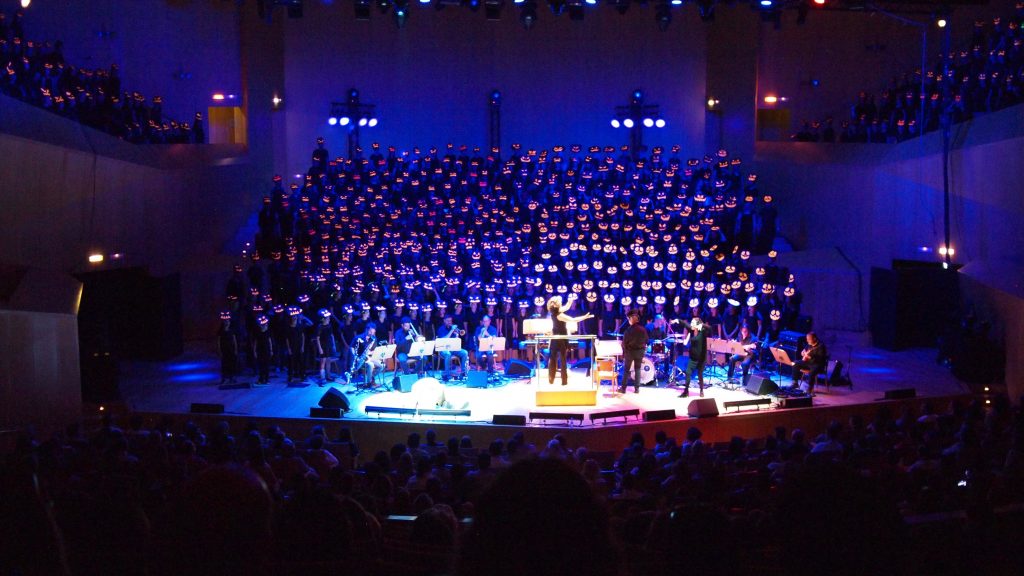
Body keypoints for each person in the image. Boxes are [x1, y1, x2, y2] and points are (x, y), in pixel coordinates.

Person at [546, 295, 593, 386]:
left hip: (554, 338)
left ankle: (551, 380)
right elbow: (573, 320)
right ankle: (564, 381)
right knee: (563, 361)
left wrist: (570, 301)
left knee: (552, 360)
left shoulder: (553, 312)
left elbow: (566, 307)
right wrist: (585, 317)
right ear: (558, 304)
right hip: (561, 340)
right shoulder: (560, 315)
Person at [679, 316, 711, 397]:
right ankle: (686, 392)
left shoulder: (702, 332)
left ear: (697, 325)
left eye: (693, 323)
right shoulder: (691, 330)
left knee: (700, 374)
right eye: (691, 322)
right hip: (692, 358)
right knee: (688, 372)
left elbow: (710, 328)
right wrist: (677, 320)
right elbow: (685, 324)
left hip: (701, 359)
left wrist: (702, 324)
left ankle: (701, 390)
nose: (691, 324)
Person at [620, 309, 649, 394]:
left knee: (626, 370)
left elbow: (624, 344)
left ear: (632, 319)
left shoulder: (628, 330)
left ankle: (623, 389)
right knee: (637, 369)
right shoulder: (643, 329)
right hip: (640, 352)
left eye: (629, 319)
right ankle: (637, 389)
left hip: (630, 352)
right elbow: (647, 340)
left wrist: (624, 353)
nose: (628, 320)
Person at [438, 314, 469, 381]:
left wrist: (457, 335)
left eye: (450, 321)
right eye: (448, 321)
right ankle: (447, 374)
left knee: (465, 352)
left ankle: (463, 372)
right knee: (448, 354)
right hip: (443, 349)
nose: (449, 322)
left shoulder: (453, 329)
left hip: (453, 348)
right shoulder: (441, 329)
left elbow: (455, 342)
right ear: (444, 321)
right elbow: (444, 339)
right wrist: (451, 330)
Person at [312, 308, 339, 386]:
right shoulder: (319, 327)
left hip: (329, 345)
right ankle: (322, 378)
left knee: (328, 361)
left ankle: (328, 376)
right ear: (323, 319)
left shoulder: (329, 326)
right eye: (327, 318)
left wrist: (333, 345)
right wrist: (320, 348)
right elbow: (317, 338)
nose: (329, 319)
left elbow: (331, 335)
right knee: (322, 362)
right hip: (322, 346)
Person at [252, 315, 273, 386]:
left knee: (266, 365)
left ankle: (266, 379)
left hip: (266, 350)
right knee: (261, 365)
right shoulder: (257, 333)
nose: (263, 325)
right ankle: (261, 379)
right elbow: (255, 342)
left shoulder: (268, 332)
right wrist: (254, 351)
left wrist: (271, 350)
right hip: (260, 351)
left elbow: (270, 341)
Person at [217, 312, 238, 385]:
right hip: (224, 349)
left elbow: (234, 340)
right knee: (224, 364)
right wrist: (219, 350)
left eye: (228, 321)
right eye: (225, 321)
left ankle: (232, 377)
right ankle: (224, 378)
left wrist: (235, 349)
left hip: (231, 349)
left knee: (232, 363)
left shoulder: (232, 330)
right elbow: (218, 341)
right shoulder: (221, 331)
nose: (227, 322)